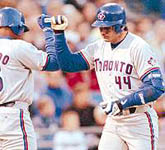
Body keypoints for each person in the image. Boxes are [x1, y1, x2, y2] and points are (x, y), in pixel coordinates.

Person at [39, 3, 165, 150]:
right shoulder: (98, 47)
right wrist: (59, 34)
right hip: (114, 120)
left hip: (138, 119)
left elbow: (156, 87)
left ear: (120, 26)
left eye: (107, 27)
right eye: (100, 27)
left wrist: (121, 103)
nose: (102, 31)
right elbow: (69, 64)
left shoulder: (138, 47)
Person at [0, 7, 59, 150]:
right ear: (15, 27)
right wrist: (49, 32)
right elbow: (53, 63)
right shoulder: (17, 46)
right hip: (12, 118)